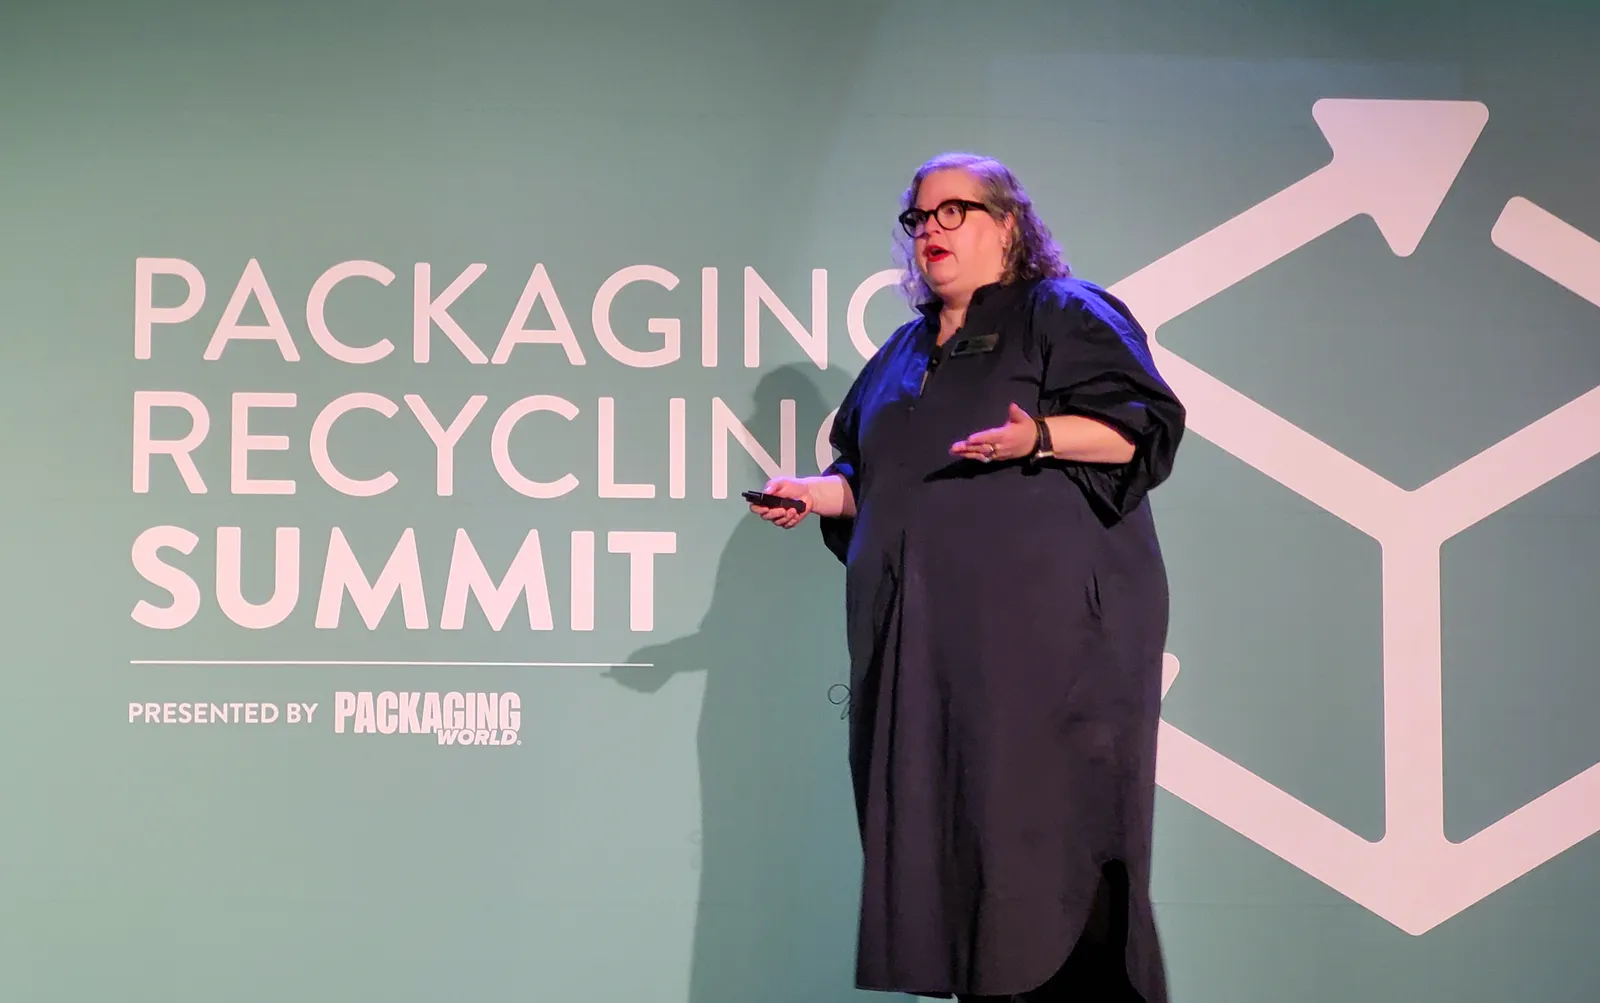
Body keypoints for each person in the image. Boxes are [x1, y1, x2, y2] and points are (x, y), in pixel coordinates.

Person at [749, 152, 1186, 1003]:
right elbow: (872, 477)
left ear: (1008, 226)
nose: (932, 232)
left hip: (1047, 657)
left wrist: (1042, 436)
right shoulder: (901, 354)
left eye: (956, 212)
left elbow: (1142, 430)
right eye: (920, 218)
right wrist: (818, 493)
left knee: (1042, 853)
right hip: (930, 663)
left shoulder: (1061, 312)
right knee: (954, 854)